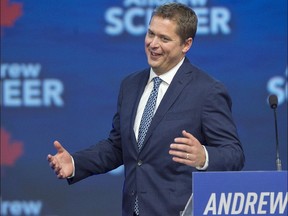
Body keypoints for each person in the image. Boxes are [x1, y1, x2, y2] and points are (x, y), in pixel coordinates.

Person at [47, 3, 245, 216]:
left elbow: (234, 154)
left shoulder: (207, 91)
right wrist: (76, 163)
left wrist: (204, 156)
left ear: (186, 44)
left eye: (164, 38)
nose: (153, 44)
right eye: (151, 33)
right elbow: (118, 147)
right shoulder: (130, 85)